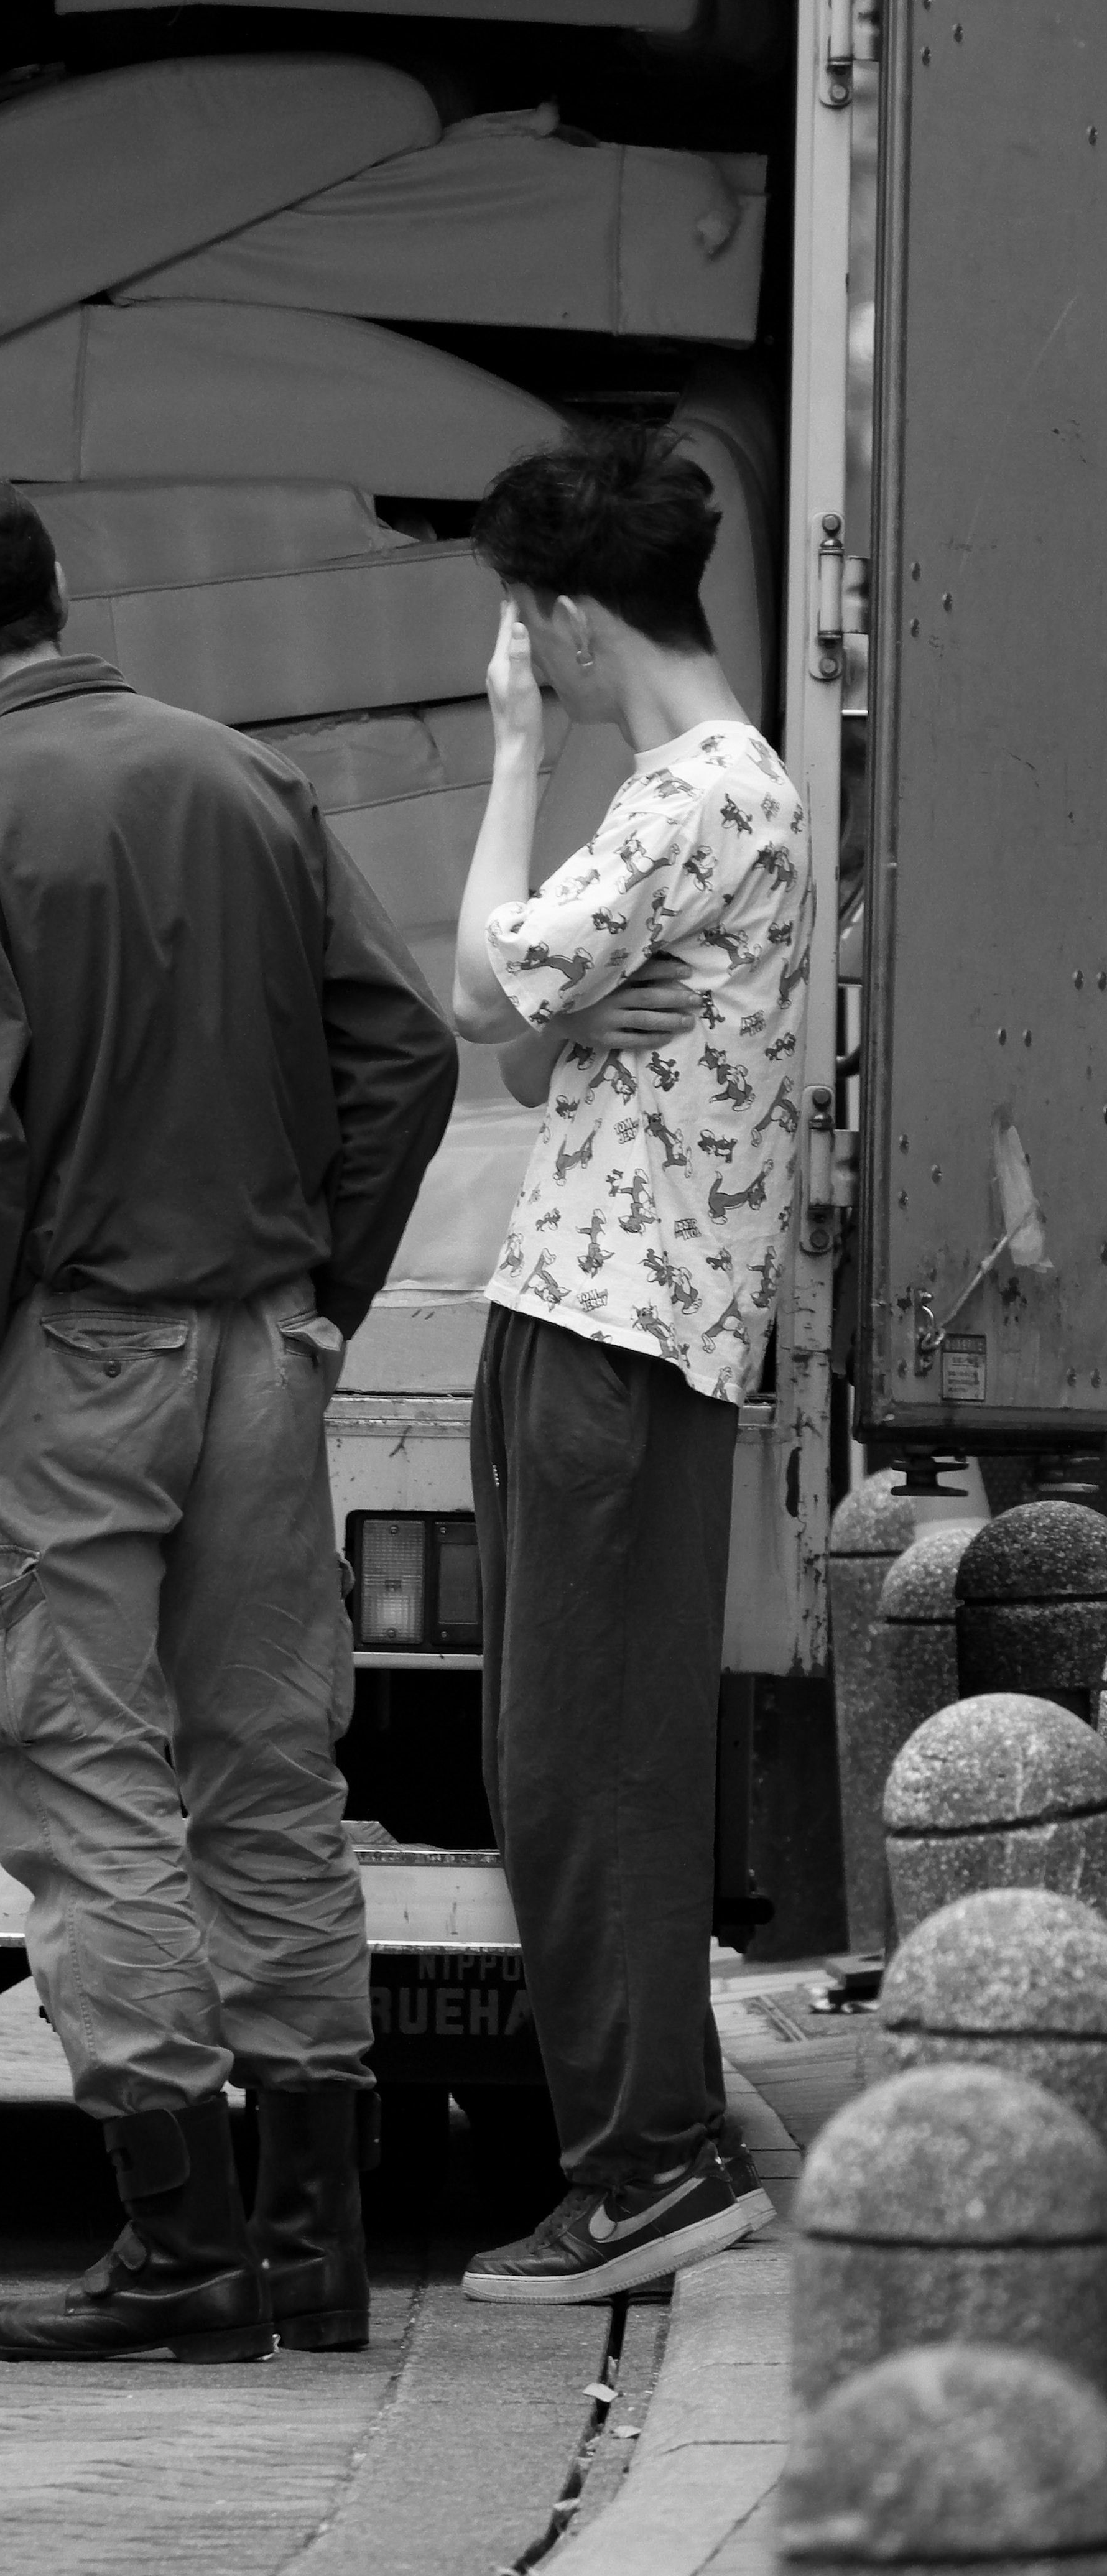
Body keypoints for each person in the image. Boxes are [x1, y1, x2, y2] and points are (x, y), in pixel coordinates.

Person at [0, 470, 459, 2366]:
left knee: (92, 1787)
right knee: (274, 1787)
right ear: (59, 591)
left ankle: (180, 2245)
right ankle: (313, 2251)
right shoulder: (244, 779)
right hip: (265, 1349)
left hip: (70, 1358)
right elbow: (411, 1051)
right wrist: (327, 1289)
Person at [449, 423, 805, 2304]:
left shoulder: (685, 798)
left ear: (573, 619)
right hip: (618, 1326)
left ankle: (649, 2166)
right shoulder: (719, 789)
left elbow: (475, 994)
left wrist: (507, 770)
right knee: (587, 1758)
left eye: (529, 633)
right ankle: (656, 2148)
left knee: (582, 1767)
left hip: (610, 1331)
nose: (528, 670)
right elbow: (528, 1039)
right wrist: (549, 1003)